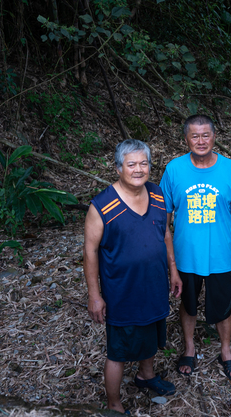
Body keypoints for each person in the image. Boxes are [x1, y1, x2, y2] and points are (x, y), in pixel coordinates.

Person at [84, 139, 182, 413]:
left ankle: (146, 375)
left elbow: (164, 234)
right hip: (121, 292)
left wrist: (173, 270)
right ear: (118, 168)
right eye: (131, 164)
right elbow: (90, 252)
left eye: (144, 163)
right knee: (118, 352)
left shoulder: (158, 195)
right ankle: (114, 405)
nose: (139, 169)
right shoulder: (102, 206)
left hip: (154, 285)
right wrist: (95, 295)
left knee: (151, 330)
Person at [160, 114, 231, 381]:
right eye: (194, 136)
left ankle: (226, 350)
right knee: (188, 304)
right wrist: (169, 257)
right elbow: (164, 215)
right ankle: (189, 347)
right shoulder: (174, 170)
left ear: (214, 137)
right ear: (186, 139)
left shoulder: (230, 169)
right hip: (186, 255)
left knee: (224, 306)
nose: (201, 141)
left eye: (206, 135)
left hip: (221, 254)